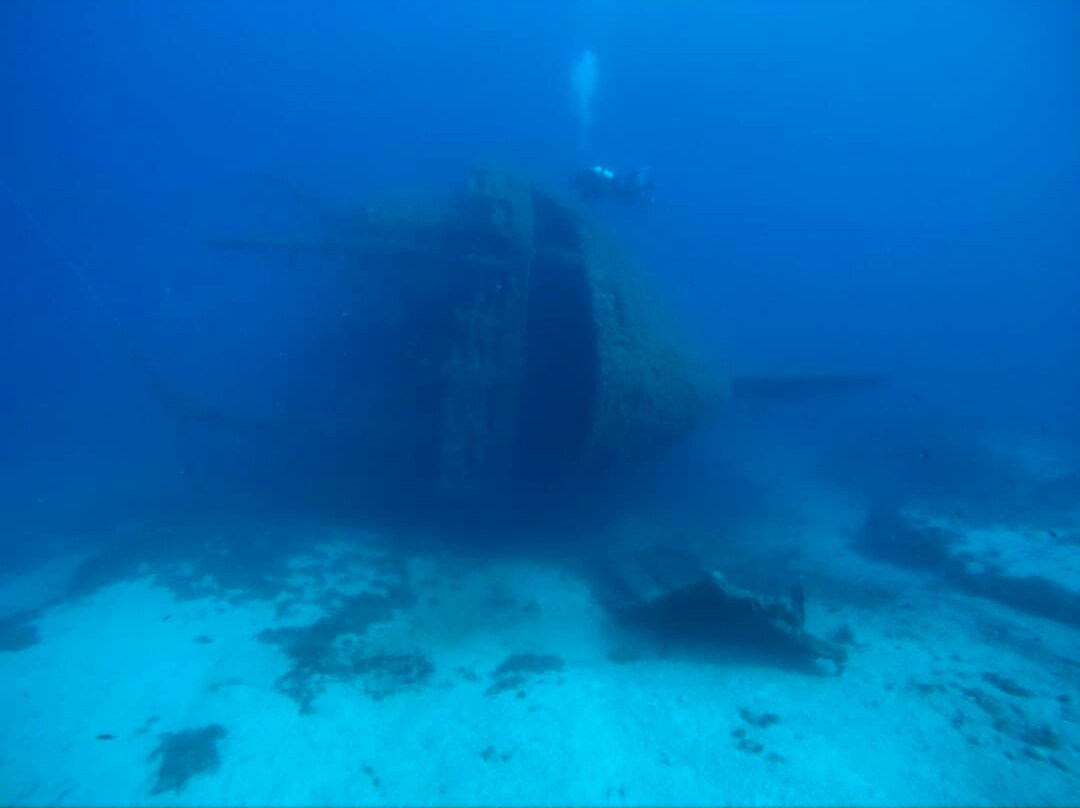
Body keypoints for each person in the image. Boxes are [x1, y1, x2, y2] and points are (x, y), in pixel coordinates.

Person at [575, 165, 654, 205]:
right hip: (615, 186)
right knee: (624, 189)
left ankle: (638, 177)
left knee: (624, 190)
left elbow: (594, 190)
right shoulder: (590, 179)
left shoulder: (589, 180)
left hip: (614, 186)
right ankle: (636, 175)